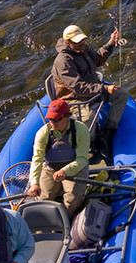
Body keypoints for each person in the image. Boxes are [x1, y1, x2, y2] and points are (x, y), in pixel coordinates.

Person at [51, 22, 127, 163]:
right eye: (77, 41)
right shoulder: (63, 61)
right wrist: (104, 88)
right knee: (88, 117)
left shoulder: (84, 49)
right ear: (68, 43)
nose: (82, 43)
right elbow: (79, 88)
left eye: (83, 39)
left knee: (122, 94)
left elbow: (97, 60)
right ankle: (89, 145)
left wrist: (111, 43)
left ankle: (107, 132)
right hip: (74, 98)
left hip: (93, 90)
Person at [26, 98, 90, 217]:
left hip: (75, 169)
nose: (53, 123)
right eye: (50, 119)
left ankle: (64, 219)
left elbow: (82, 159)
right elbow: (37, 159)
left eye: (57, 119)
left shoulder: (81, 130)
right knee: (44, 199)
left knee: (72, 201)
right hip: (50, 168)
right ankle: (48, 219)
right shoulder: (43, 133)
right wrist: (34, 183)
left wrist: (65, 171)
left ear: (67, 117)